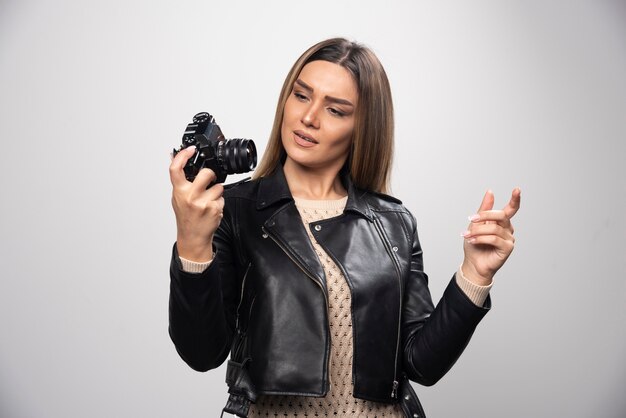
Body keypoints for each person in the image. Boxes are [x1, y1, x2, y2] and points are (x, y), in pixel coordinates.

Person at [168, 38, 521, 418]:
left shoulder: (393, 223)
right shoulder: (235, 209)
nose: (309, 117)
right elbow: (201, 353)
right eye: (301, 96)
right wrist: (191, 242)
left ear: (362, 127)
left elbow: (423, 364)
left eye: (335, 110)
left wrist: (474, 274)